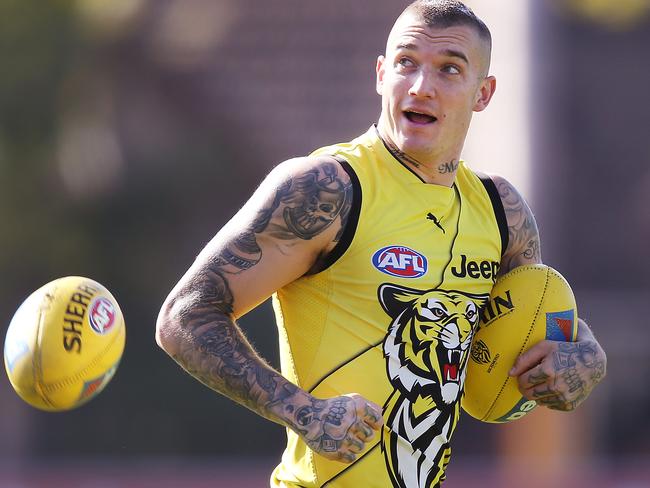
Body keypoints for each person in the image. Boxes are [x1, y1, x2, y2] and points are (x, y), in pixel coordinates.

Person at [155, 1, 607, 487]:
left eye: (449, 69)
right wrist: (302, 411)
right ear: (379, 73)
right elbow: (185, 315)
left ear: (484, 93)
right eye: (405, 63)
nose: (420, 87)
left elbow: (535, 328)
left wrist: (587, 355)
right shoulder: (327, 190)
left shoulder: (503, 213)